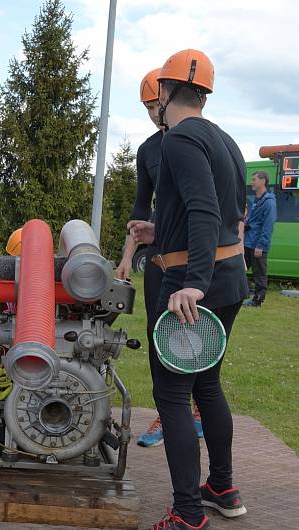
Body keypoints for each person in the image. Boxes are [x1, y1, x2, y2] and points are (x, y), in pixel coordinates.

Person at [128, 49, 249, 529]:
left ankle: (187, 512)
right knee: (209, 385)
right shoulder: (226, 140)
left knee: (173, 396)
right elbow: (224, 215)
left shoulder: (178, 140)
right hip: (230, 278)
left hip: (191, 284)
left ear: (164, 93)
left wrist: (193, 283)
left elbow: (203, 211)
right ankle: (222, 486)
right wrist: (160, 233)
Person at [116, 68, 203, 448]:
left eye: (156, 104)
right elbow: (140, 209)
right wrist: (126, 256)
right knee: (160, 337)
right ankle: (167, 415)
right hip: (159, 256)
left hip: (196, 257)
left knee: (195, 337)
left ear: (169, 97)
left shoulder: (199, 140)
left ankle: (195, 410)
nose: (153, 113)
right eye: (147, 107)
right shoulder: (149, 150)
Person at [243, 170, 276, 307]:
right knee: (238, 269)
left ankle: (258, 300)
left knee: (259, 273)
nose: (252, 182)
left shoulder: (269, 202)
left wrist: (261, 246)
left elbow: (268, 226)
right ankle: (246, 291)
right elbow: (254, 221)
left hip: (257, 244)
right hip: (248, 242)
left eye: (254, 179)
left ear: (263, 181)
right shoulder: (256, 200)